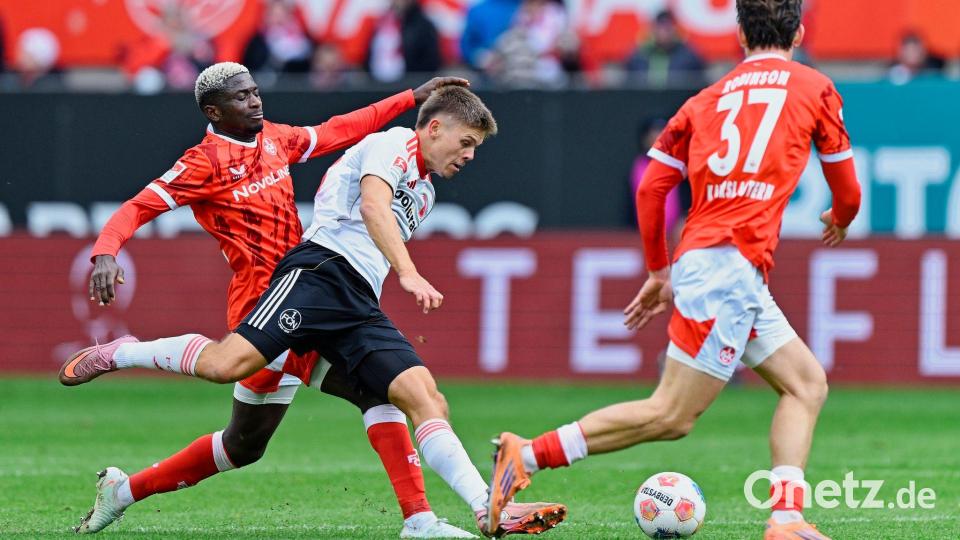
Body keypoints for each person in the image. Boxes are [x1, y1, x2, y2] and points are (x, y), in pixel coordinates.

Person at [61, 84, 567, 537]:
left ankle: (471, 511)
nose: (470, 155)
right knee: (227, 370)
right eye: (466, 143)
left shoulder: (311, 151)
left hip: (349, 300)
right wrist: (106, 249)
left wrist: (409, 95)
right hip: (304, 281)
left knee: (404, 396)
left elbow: (339, 128)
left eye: (255, 91)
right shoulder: (390, 145)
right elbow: (372, 205)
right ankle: (124, 353)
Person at [485, 1, 861, 539]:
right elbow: (848, 192)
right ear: (799, 32)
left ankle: (786, 519)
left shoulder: (704, 100)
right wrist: (839, 219)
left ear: (739, 33)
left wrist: (660, 271)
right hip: (729, 267)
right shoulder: (815, 88)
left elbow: (651, 188)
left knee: (806, 384)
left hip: (718, 264)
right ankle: (527, 454)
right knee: (671, 415)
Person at [626, 10, 705, 88]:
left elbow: (698, 83)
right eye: (661, 27)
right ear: (653, 29)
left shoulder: (689, 56)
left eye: (667, 27)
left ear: (674, 29)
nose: (664, 32)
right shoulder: (639, 56)